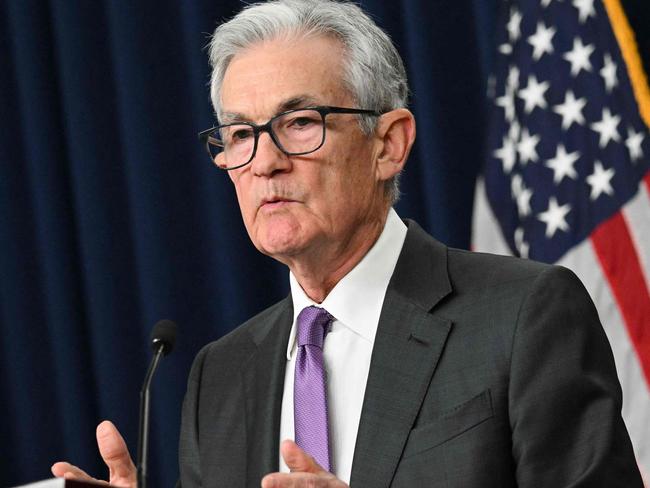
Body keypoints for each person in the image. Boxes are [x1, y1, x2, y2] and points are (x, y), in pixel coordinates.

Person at [52, 0, 644, 487]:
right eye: (239, 134)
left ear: (388, 144)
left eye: (300, 123)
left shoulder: (523, 316)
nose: (265, 162)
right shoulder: (221, 375)